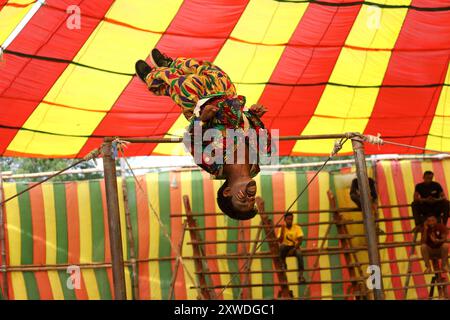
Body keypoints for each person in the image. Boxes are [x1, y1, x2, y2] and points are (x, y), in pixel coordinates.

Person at [135, 49, 272, 220]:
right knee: (209, 70)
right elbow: (258, 130)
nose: (250, 198)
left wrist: (201, 118)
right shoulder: (260, 160)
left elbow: (191, 140)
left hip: (200, 103)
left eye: (243, 202)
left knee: (184, 84)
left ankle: (151, 78)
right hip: (228, 96)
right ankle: (169, 64)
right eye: (252, 202)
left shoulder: (213, 165)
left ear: (228, 191)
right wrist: (254, 114)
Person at [277, 212, 305, 283]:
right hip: (285, 246)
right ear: (285, 220)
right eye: (288, 219)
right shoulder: (282, 228)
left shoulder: (297, 227)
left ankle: (301, 275)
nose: (290, 220)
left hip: (295, 246)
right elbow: (280, 241)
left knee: (299, 254)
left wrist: (294, 249)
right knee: (281, 248)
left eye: (291, 219)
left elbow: (300, 240)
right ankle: (283, 264)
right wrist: (282, 232)